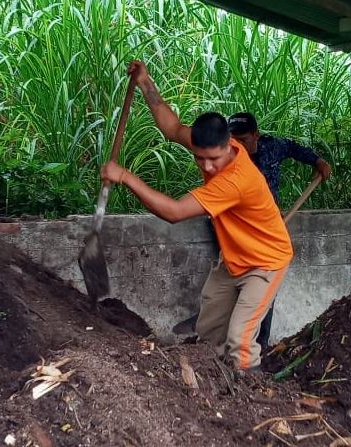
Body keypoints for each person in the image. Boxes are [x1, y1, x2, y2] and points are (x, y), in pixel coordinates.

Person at [104, 60, 291, 371]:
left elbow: (175, 213)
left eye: (213, 160)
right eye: (199, 158)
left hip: (266, 262)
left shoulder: (236, 180)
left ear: (228, 146)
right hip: (235, 259)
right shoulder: (210, 146)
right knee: (210, 328)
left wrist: (125, 176)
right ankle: (220, 386)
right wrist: (145, 82)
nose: (206, 167)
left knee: (240, 339)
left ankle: (255, 399)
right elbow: (172, 128)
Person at [156, 110, 329, 347]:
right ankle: (224, 324)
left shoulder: (267, 152)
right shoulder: (224, 155)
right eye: (236, 138)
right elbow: (174, 129)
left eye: (244, 139)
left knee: (257, 302)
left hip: (263, 235)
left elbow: (294, 148)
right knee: (229, 288)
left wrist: (317, 161)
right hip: (232, 228)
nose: (207, 166)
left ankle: (259, 343)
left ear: (255, 136)